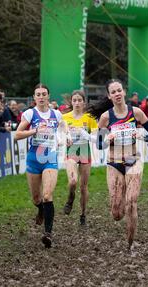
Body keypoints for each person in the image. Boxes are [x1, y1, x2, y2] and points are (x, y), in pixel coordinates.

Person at [86, 79, 148, 250]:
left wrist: (144, 137)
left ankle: (130, 243)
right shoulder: (105, 117)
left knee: (132, 202)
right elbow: (98, 145)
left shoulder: (137, 113)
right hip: (114, 162)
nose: (117, 94)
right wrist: (107, 139)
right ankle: (121, 201)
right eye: (114, 92)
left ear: (124, 92)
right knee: (117, 213)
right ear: (109, 96)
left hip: (133, 160)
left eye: (119, 90)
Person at [15, 83, 68, 248]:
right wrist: (34, 131)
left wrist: (66, 136)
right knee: (36, 199)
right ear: (34, 97)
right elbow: (17, 135)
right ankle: (41, 210)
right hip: (33, 159)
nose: (41, 97)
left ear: (48, 96)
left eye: (44, 94)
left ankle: (48, 233)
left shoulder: (57, 114)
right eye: (38, 94)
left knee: (47, 196)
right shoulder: (30, 114)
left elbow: (63, 127)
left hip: (50, 158)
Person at [62, 90, 98, 226]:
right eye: (74, 100)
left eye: (79, 100)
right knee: (72, 182)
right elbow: (59, 135)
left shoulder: (89, 118)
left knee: (83, 187)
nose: (77, 103)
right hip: (71, 152)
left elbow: (96, 138)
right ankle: (71, 197)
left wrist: (85, 134)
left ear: (84, 102)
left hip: (85, 153)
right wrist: (65, 138)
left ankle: (83, 214)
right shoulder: (65, 118)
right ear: (71, 102)